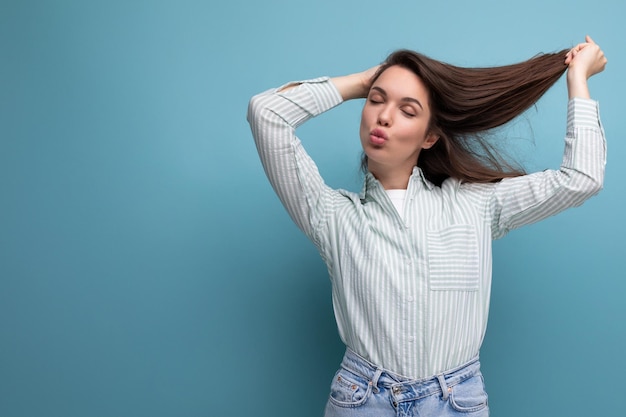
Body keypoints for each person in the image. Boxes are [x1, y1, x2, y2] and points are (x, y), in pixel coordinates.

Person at [247, 36, 607, 417]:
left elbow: (581, 178)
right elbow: (266, 113)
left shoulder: (477, 203)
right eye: (376, 101)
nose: (384, 116)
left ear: (430, 136)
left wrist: (578, 79)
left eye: (408, 109)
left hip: (455, 401)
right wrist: (361, 82)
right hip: (361, 401)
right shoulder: (331, 215)